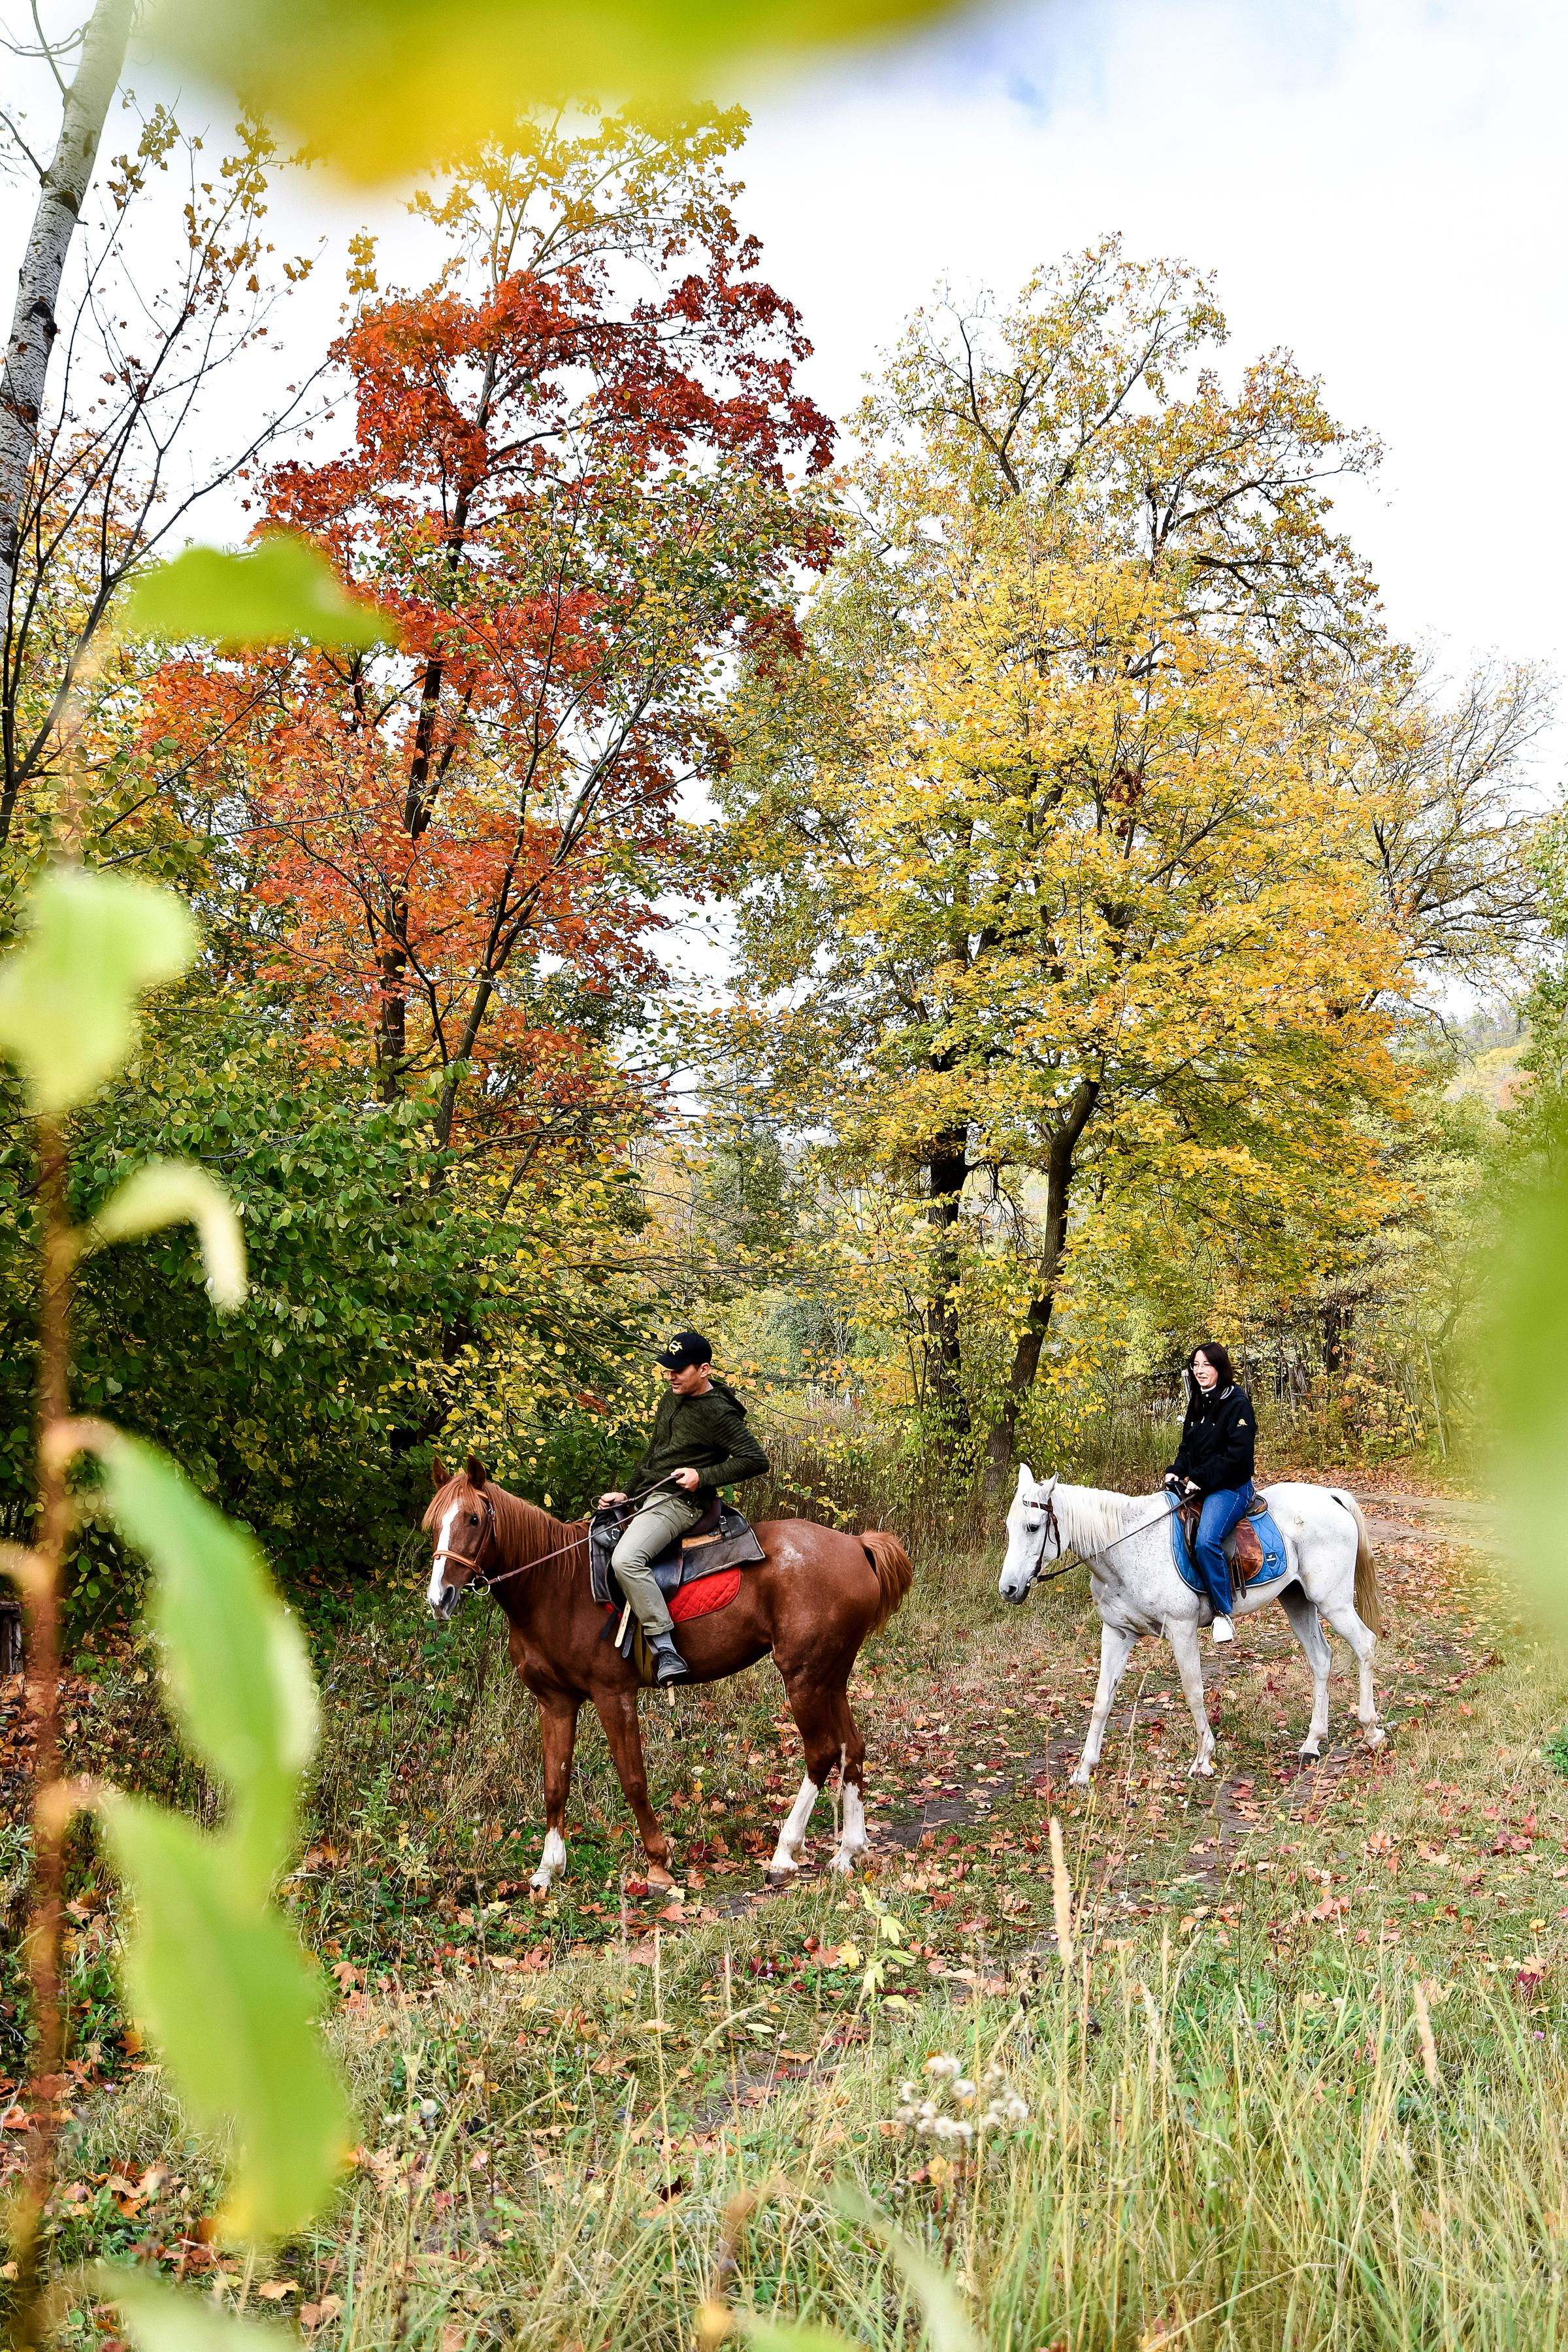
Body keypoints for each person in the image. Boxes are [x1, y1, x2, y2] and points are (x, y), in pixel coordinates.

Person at [597, 1330, 770, 1685]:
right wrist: (626, 1494)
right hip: (648, 1494)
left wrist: (702, 1476)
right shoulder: (672, 1397)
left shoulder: (719, 1414)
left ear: (704, 1370)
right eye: (668, 1368)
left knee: (626, 1560)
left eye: (679, 1369)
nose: (670, 1375)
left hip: (682, 1503)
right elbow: (655, 1451)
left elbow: (756, 1460)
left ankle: (665, 1648)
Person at [1165, 1341, 1256, 1648]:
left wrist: (1200, 1479)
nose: (1200, 1370)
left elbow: (1238, 1456)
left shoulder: (1238, 1403)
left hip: (1231, 1487)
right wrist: (1177, 1470)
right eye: (1196, 1365)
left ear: (1220, 1367)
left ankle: (1222, 1611)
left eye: (1206, 1365)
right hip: (1200, 1483)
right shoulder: (1198, 1401)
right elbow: (1188, 1447)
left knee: (1206, 1540)